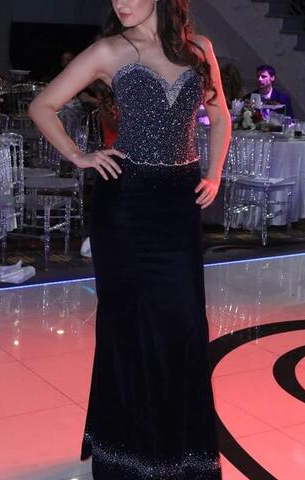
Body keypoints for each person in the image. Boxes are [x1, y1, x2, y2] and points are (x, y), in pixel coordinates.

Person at [28, 0, 231, 478]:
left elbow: (219, 116)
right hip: (126, 207)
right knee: (130, 328)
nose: (120, 2)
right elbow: (42, 105)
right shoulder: (108, 51)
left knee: (183, 325)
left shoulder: (199, 50)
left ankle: (179, 453)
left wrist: (215, 172)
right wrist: (79, 155)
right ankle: (127, 454)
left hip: (179, 205)